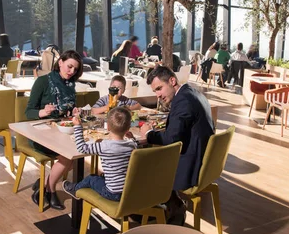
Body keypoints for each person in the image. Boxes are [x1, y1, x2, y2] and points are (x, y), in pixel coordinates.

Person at [140, 66, 214, 225]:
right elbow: (183, 128)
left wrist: (148, 134)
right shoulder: (193, 93)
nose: (158, 95)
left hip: (191, 167)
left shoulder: (183, 101)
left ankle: (165, 208)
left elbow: (172, 139)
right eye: (155, 91)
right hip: (202, 161)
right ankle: (164, 206)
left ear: (172, 81)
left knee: (142, 165)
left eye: (159, 88)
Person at [25, 50, 84, 210]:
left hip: (61, 132)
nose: (71, 72)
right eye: (69, 67)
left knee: (76, 154)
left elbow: (68, 109)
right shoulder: (43, 82)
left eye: (75, 69)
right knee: (68, 158)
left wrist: (73, 112)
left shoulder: (70, 85)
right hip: (41, 134)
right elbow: (28, 111)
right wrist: (43, 112)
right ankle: (50, 191)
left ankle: (43, 184)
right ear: (60, 63)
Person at [62, 107, 139, 201]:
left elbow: (82, 148)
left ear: (108, 127)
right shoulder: (132, 145)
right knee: (101, 176)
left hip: (111, 193)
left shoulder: (104, 146)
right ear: (128, 128)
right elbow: (136, 145)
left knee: (91, 178)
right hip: (129, 192)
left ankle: (75, 189)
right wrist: (132, 138)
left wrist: (77, 127)